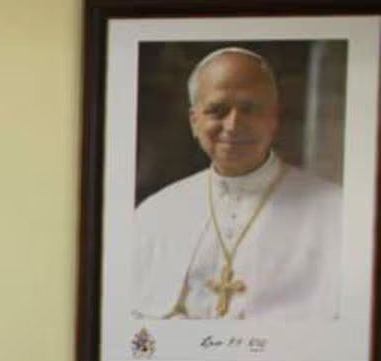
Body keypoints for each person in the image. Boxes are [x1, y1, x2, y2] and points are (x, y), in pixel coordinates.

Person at [132, 46, 342, 321]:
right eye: (217, 111)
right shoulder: (155, 211)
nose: (232, 125)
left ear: (274, 118)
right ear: (194, 122)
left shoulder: (338, 212)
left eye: (249, 109)